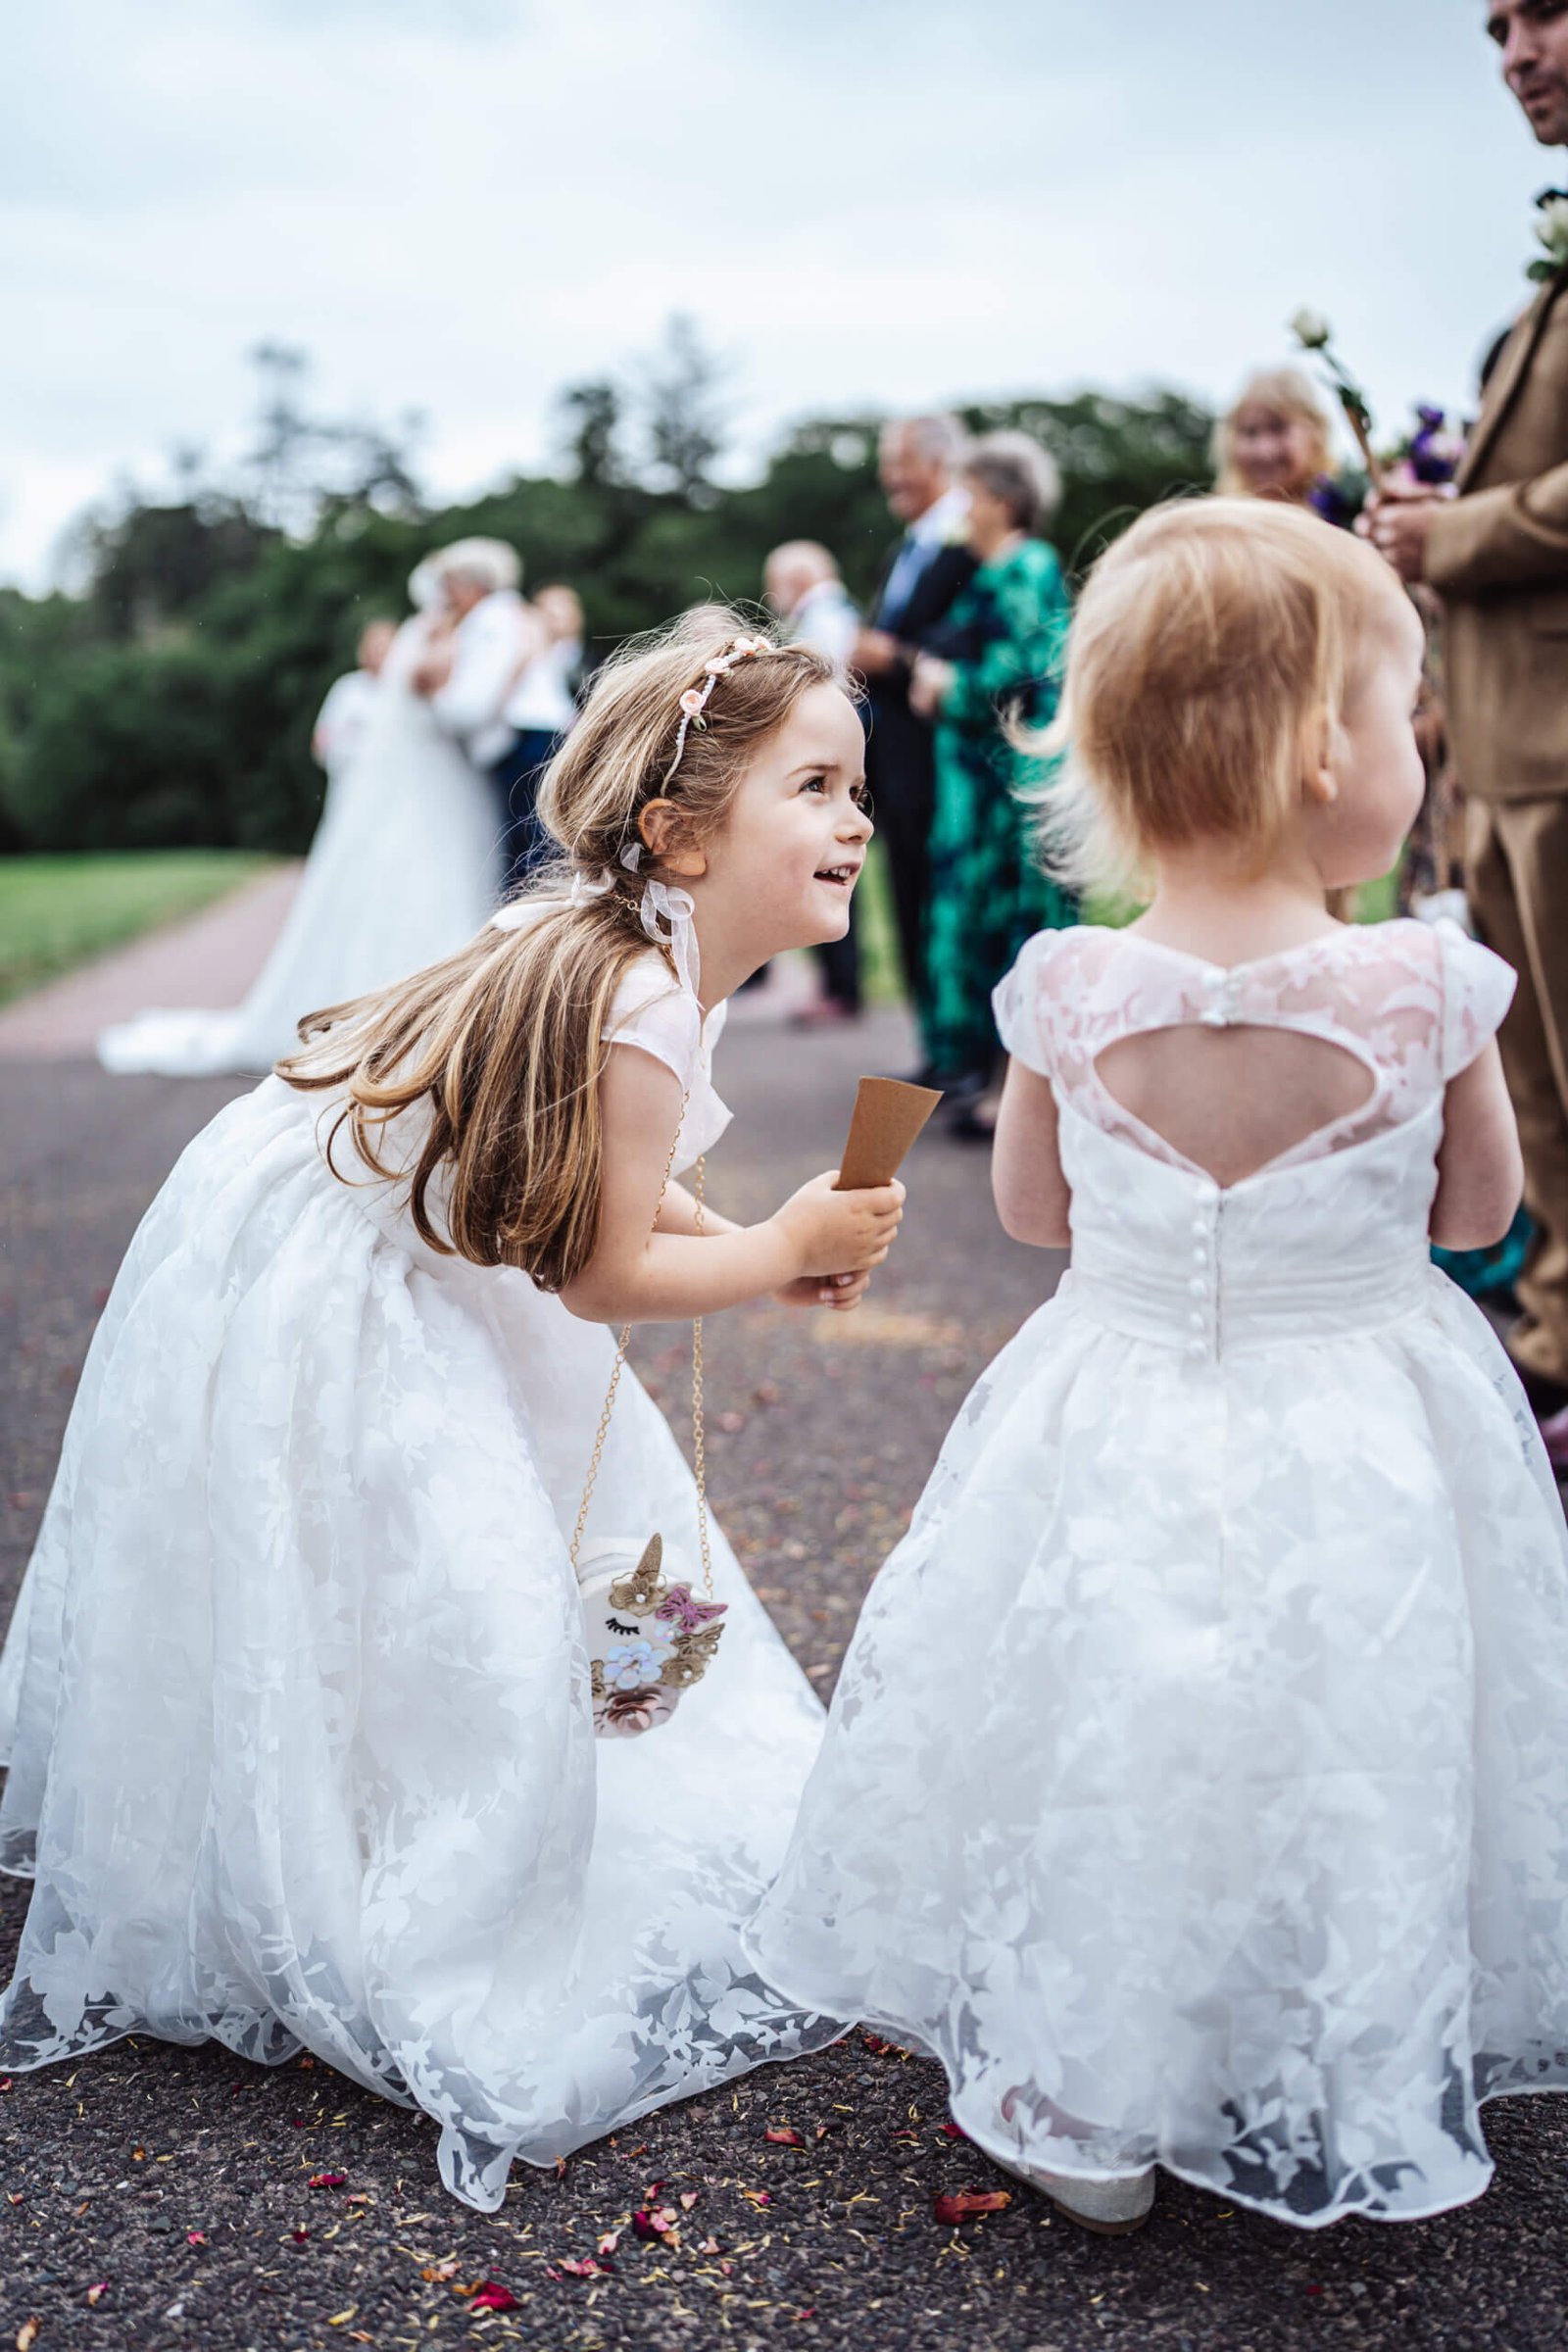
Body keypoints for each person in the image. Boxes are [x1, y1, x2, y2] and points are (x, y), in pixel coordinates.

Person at [0, 619, 903, 2212]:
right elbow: (601, 1272)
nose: (857, 821)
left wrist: (755, 1240)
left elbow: (616, 1177)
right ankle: (384, 1857)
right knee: (438, 1572)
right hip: (347, 1285)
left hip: (352, 1233)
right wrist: (778, 1250)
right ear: (682, 831)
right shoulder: (639, 993)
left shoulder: (624, 944)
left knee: (465, 1567)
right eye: (816, 787)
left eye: (859, 789)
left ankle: (366, 1803)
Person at [748, 501, 1568, 2239]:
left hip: (1115, 1403)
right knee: (1346, 1713)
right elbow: (1484, 1217)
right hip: (1366, 1415)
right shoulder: (1428, 987)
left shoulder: (1064, 986)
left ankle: (1088, 2089)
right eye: (1405, 707)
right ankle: (1319, 2036)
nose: (1421, 741)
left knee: (1114, 1710)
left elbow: (1034, 1215)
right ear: (1323, 749)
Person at [1364, 0, 1568, 1432]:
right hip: (1503, 745)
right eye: (1494, 27)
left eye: (1544, 11)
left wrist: (1461, 533)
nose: (1515, 54)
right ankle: (1556, 1335)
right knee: (1539, 1089)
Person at [97, 565, 500, 1078]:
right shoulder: (424, 643)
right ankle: (409, 1013)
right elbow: (415, 700)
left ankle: (427, 1007)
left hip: (424, 776)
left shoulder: (432, 639)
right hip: (419, 776)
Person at [908, 432, 1074, 1131]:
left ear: (1003, 501)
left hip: (1012, 786)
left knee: (1017, 926)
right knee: (977, 925)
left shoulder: (1028, 566)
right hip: (975, 787)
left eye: (969, 495)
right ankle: (980, 1072)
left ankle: (1017, 1093)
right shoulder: (987, 570)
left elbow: (1025, 674)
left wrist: (946, 685)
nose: (960, 509)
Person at [853, 416, 976, 1076]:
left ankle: (963, 1051)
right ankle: (934, 1045)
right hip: (894, 761)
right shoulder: (905, 547)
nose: (888, 477)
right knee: (905, 898)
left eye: (899, 462)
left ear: (938, 462)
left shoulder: (970, 540)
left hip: (942, 760)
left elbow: (967, 642)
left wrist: (892, 656)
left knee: (944, 902)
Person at [765, 541, 862, 1024]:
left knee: (829, 862)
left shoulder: (824, 618)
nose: (772, 595)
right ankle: (837, 983)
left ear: (799, 579)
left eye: (775, 584)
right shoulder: (832, 613)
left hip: (828, 764)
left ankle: (841, 987)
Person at [491, 584, 588, 890]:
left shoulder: (575, 655)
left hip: (558, 736)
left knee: (545, 820)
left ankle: (539, 886)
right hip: (530, 734)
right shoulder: (525, 646)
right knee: (526, 820)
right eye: (550, 611)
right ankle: (525, 888)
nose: (556, 619)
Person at [1212, 365, 1348, 519]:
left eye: (1278, 428)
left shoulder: (1346, 512)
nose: (1264, 450)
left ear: (1315, 433)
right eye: (1250, 432)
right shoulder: (1217, 520)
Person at [311, 617, 397, 777]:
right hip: (351, 778)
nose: (380, 652)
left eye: (385, 646)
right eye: (375, 645)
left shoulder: (408, 690)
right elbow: (321, 739)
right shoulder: (347, 688)